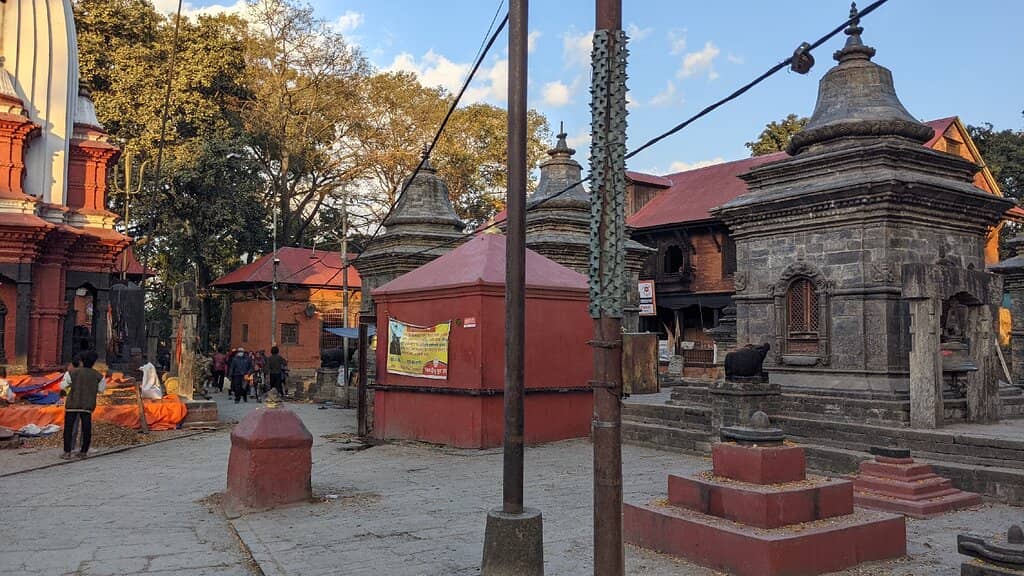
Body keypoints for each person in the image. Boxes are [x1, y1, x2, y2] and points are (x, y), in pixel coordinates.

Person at [61, 350, 106, 459]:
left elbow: (62, 386)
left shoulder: (72, 373)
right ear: (93, 362)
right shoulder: (98, 376)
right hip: (87, 405)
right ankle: (83, 451)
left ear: (81, 361)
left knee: (69, 428)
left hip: (72, 404)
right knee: (86, 428)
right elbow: (101, 390)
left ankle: (67, 452)